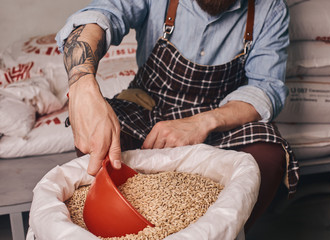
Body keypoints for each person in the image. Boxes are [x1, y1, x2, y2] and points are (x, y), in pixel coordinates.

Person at [56, 0, 299, 232]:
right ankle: (130, 226)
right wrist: (82, 82)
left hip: (220, 113)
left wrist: (203, 121)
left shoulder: (271, 8)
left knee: (269, 154)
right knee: (102, 140)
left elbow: (266, 88)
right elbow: (99, 16)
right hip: (149, 104)